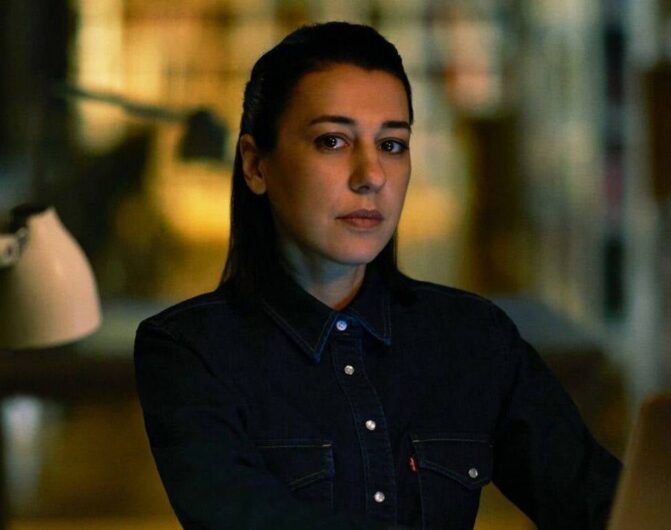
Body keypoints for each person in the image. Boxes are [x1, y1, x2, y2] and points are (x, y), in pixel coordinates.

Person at [134, 21, 621, 530]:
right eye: (332, 141)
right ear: (256, 165)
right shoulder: (191, 352)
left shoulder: (474, 338)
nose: (371, 176)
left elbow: (603, 503)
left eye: (391, 144)